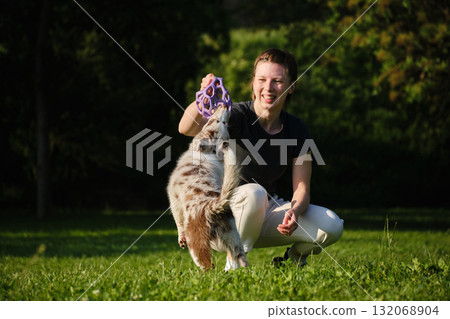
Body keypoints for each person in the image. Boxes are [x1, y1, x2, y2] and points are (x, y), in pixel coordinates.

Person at [178, 48, 343, 267]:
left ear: (291, 86)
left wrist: (294, 211)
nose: (268, 87)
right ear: (253, 83)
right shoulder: (235, 115)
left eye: (278, 81)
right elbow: (186, 128)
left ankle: (290, 261)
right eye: (262, 79)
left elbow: (302, 188)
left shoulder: (296, 129)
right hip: (219, 220)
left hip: (263, 211)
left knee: (331, 225)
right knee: (255, 193)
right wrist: (203, 97)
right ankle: (234, 266)